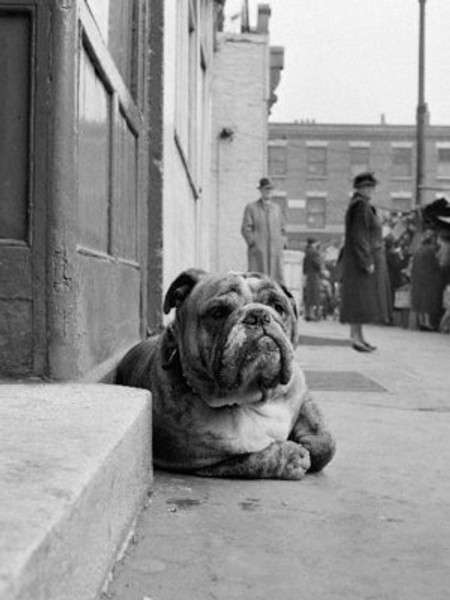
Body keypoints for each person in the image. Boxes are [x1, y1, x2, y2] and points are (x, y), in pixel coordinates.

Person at [340, 172, 392, 352]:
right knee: (359, 300)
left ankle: (359, 336)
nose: (370, 190)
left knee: (361, 301)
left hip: (361, 259)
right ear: (359, 189)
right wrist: (366, 260)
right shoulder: (360, 206)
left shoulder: (362, 205)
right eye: (366, 187)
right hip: (361, 261)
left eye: (371, 187)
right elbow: (359, 235)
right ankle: (355, 337)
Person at [241, 177, 286, 285]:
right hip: (259, 251)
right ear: (261, 190)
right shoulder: (251, 208)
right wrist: (253, 242)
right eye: (266, 189)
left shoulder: (276, 209)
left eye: (270, 189)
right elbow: (246, 228)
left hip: (275, 251)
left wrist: (281, 243)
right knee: (257, 279)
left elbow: (282, 228)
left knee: (275, 280)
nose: (268, 192)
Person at [410, 229, 445, 331]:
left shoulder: (417, 249)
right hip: (428, 279)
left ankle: (421, 322)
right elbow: (436, 265)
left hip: (417, 278)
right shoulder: (431, 250)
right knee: (427, 301)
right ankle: (426, 323)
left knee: (419, 301)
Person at [302, 238, 322, 320]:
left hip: (306, 275)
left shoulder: (306, 251)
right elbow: (318, 264)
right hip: (314, 275)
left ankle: (307, 314)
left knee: (307, 295)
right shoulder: (314, 252)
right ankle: (311, 314)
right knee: (313, 296)